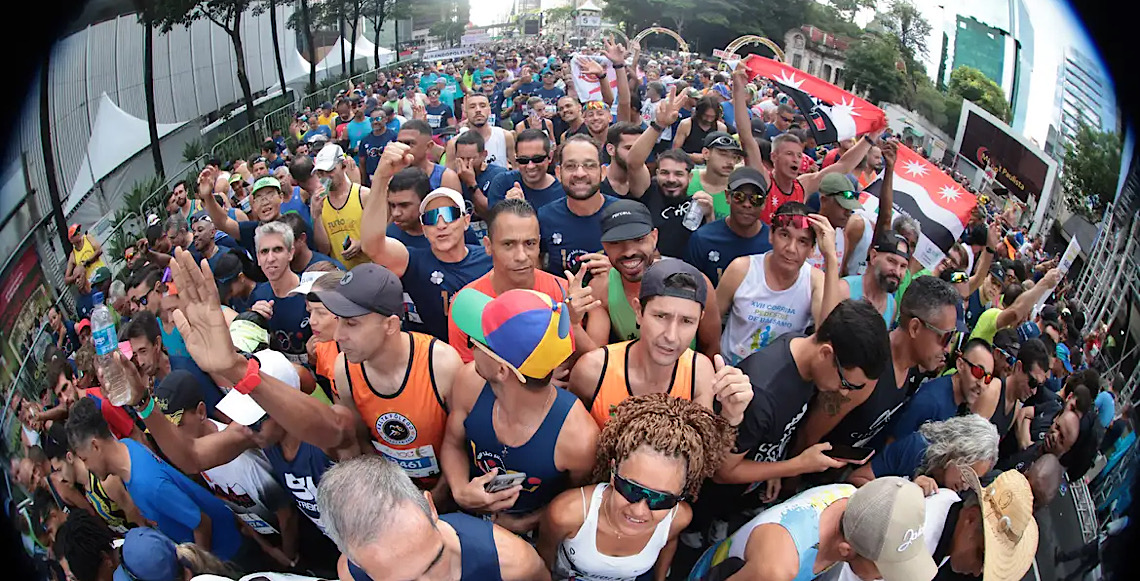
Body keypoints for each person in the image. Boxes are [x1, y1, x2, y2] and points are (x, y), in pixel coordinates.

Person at [442, 288, 600, 535]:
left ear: (502, 371)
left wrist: (524, 524)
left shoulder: (579, 438)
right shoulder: (468, 382)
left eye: (477, 342)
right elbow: (453, 443)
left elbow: (575, 501)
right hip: (468, 518)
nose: (471, 347)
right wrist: (460, 490)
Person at [539, 395, 734, 581]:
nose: (639, 510)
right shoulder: (566, 513)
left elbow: (667, 545)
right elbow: (542, 564)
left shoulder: (678, 518)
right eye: (631, 489)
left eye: (661, 499)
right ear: (614, 473)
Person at [307, 264, 462, 495]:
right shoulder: (345, 369)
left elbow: (460, 444)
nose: (338, 335)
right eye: (338, 320)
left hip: (448, 493)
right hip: (395, 493)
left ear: (390, 325)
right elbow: (363, 444)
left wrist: (439, 499)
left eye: (351, 323)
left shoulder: (441, 364)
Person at [570, 258, 752, 428]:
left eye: (687, 321)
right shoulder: (593, 371)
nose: (671, 336)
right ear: (639, 312)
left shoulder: (699, 372)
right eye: (661, 316)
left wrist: (731, 416)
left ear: (700, 320)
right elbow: (569, 444)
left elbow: (706, 452)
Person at [64, 397, 249, 564]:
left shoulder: (147, 485)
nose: (87, 468)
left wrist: (202, 569)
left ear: (95, 446)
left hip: (229, 552)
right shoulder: (128, 447)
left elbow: (202, 523)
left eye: (85, 459)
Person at [797, 275, 962, 453]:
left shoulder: (913, 371)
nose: (948, 349)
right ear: (915, 328)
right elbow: (808, 435)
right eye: (946, 337)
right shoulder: (865, 368)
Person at [318, 456, 550, 581]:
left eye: (435, 561)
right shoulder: (350, 572)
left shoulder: (514, 565)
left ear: (430, 507)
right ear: (354, 558)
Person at [150, 370, 298, 559]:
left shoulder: (240, 459)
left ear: (201, 412)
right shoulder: (196, 462)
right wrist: (264, 546)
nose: (173, 436)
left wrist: (289, 556)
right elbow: (231, 504)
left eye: (177, 423)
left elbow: (287, 516)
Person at [688, 476, 937, 581]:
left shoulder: (856, 501)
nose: (882, 579)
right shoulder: (777, 568)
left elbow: (885, 506)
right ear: (846, 549)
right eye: (882, 571)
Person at [362, 144, 493, 340]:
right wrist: (381, 177)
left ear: (466, 221)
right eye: (431, 218)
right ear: (424, 227)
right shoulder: (414, 262)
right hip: (434, 360)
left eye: (449, 214)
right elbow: (372, 245)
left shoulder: (490, 260)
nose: (441, 225)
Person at [447, 198, 590, 362]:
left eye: (530, 243)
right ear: (488, 246)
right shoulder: (466, 305)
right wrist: (534, 379)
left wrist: (573, 323)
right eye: (508, 244)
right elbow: (465, 375)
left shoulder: (564, 292)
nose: (521, 256)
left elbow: (597, 366)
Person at [583, 202, 722, 356]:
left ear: (654, 237)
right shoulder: (601, 288)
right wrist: (573, 322)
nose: (629, 252)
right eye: (616, 243)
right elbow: (595, 357)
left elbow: (711, 349)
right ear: (605, 247)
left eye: (638, 240)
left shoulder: (696, 283)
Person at [717, 204, 841, 364]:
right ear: (771, 235)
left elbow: (828, 334)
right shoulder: (741, 269)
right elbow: (711, 319)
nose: (791, 248)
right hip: (732, 369)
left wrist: (830, 257)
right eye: (784, 235)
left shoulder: (815, 281)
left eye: (802, 241)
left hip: (778, 379)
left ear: (812, 249)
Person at [848, 414, 999, 494]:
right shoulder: (915, 447)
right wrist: (903, 493)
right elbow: (855, 478)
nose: (965, 486)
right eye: (967, 474)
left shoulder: (952, 490)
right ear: (956, 452)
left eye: (973, 481)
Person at [883, 338, 999, 442]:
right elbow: (892, 443)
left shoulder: (957, 401)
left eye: (988, 378)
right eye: (978, 372)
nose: (982, 384)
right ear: (960, 365)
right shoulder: (931, 401)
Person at [536, 135, 615, 274]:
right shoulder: (544, 217)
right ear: (558, 173)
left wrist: (618, 271)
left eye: (589, 165)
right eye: (571, 166)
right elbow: (536, 268)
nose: (580, 173)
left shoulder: (624, 214)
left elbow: (648, 263)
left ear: (603, 172)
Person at [759, 133, 876, 226]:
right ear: (774, 157)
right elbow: (747, 141)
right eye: (789, 153)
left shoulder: (802, 186)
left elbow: (843, 166)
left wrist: (871, 138)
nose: (795, 159)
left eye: (799, 155)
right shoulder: (764, 180)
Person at [123, 309, 224, 416]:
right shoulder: (157, 387)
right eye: (135, 355)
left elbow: (221, 414)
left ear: (157, 343)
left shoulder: (186, 369)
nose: (140, 361)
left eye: (143, 351)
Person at [684, 167, 773, 285]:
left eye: (756, 199)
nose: (747, 204)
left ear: (765, 203)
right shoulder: (702, 239)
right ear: (727, 196)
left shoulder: (773, 243)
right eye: (739, 197)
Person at [246, 221, 313, 363]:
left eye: (277, 250)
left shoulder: (311, 293)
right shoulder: (257, 296)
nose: (270, 259)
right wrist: (253, 319)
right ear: (258, 258)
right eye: (264, 251)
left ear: (290, 253)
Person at [311, 144, 372, 270]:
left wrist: (361, 244)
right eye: (321, 173)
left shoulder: (364, 195)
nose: (325, 177)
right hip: (341, 275)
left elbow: (383, 234)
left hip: (370, 270)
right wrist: (316, 217)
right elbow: (324, 249)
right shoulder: (319, 203)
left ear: (343, 166)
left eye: (330, 170)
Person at [969, 268, 1061, 344]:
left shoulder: (1009, 333)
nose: (1025, 319)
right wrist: (1045, 283)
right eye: (1025, 311)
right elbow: (1015, 312)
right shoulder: (991, 315)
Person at [837, 231, 910, 325]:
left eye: (903, 266)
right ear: (873, 256)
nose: (897, 271)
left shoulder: (892, 307)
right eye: (891, 261)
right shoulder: (843, 290)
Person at [450, 129, 509, 238]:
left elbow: (492, 213)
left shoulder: (499, 175)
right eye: (461, 158)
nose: (466, 164)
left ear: (484, 155)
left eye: (471, 159)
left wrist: (471, 183)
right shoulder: (452, 177)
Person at [990, 336, 1052, 438]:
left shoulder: (1016, 409)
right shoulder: (993, 391)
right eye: (1032, 382)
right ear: (1019, 368)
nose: (1034, 391)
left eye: (1038, 386)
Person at [383, 119, 462, 192]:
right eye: (400, 143)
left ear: (428, 146)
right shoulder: (391, 176)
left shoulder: (445, 178)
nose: (403, 148)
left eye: (409, 144)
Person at [357, 108, 396, 186]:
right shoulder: (365, 140)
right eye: (372, 120)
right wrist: (363, 182)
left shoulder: (394, 137)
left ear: (385, 119)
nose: (375, 122)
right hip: (372, 180)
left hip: (391, 179)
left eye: (378, 119)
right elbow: (362, 163)